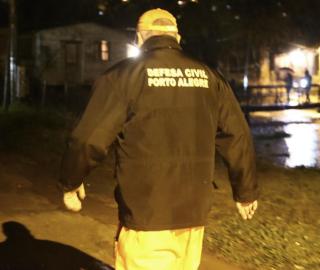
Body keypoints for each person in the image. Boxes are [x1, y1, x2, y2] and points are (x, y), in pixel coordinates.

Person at [59, 8, 258, 270]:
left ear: (140, 39)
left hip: (147, 214)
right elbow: (237, 135)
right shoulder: (210, 77)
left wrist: (71, 180)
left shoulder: (123, 77)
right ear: (178, 37)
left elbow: (89, 139)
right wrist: (245, 192)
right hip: (193, 214)